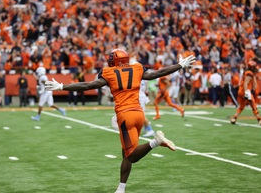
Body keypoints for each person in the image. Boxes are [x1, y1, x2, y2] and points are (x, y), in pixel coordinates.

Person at [44, 49, 195, 193]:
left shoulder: (109, 72)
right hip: (139, 115)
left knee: (131, 156)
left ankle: (155, 142)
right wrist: (179, 65)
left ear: (114, 61)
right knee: (126, 153)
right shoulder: (136, 68)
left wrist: (62, 86)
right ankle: (121, 188)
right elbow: (158, 73)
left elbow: (87, 85)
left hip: (125, 115)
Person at [231, 61, 261, 125]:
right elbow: (246, 83)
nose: (256, 68)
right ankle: (259, 120)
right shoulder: (249, 73)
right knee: (254, 106)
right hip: (245, 91)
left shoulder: (248, 72)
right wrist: (246, 92)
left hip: (241, 91)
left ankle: (234, 118)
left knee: (241, 107)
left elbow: (253, 85)